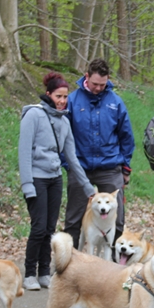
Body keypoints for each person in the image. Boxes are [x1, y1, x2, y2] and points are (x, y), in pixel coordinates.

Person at [19, 71, 95, 290]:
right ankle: (29, 273)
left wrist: (88, 188)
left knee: (51, 227)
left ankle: (45, 271)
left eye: (65, 97)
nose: (62, 101)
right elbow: (24, 152)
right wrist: (27, 185)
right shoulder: (33, 115)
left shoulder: (64, 121)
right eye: (58, 96)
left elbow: (72, 158)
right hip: (36, 178)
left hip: (54, 179)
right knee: (39, 227)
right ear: (48, 94)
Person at [64, 59, 134, 251]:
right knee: (74, 217)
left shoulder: (115, 102)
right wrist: (67, 163)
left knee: (117, 217)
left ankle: (114, 262)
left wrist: (125, 167)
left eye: (102, 85)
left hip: (110, 166)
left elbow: (126, 136)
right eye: (95, 84)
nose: (98, 88)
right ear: (86, 77)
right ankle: (70, 260)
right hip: (80, 167)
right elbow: (62, 134)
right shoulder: (72, 100)